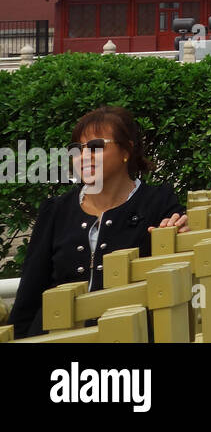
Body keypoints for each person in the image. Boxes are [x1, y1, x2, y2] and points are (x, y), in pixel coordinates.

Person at [8, 105, 188, 338]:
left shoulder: (158, 202)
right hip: (56, 338)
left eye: (95, 147)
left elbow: (173, 270)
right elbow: (30, 292)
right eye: (77, 149)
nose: (83, 156)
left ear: (126, 151)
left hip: (130, 337)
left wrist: (178, 232)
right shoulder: (55, 210)